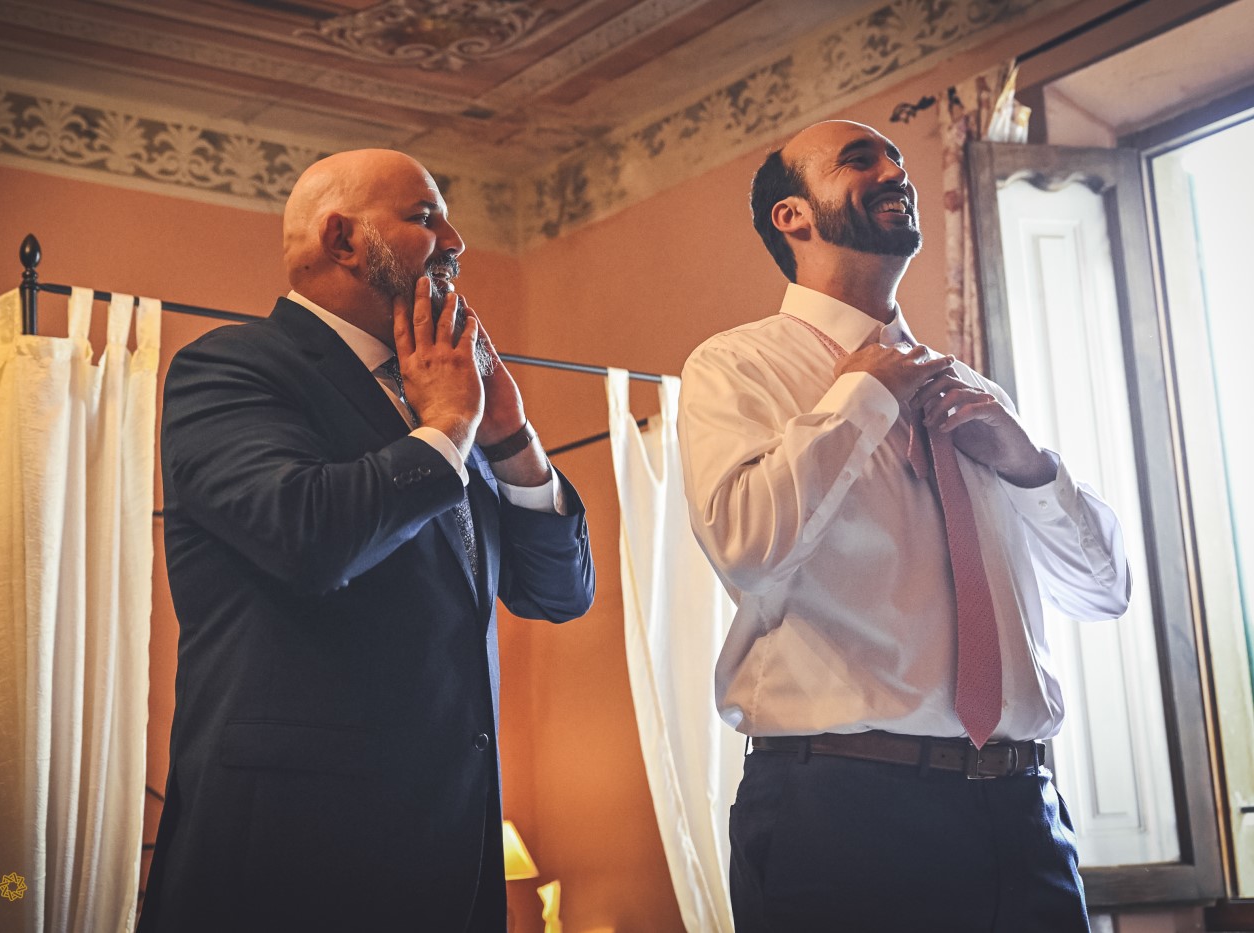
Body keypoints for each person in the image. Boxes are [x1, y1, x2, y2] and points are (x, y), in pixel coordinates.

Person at [678, 120, 1130, 932]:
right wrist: (862, 397)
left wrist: (1029, 463)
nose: (894, 170)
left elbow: (1105, 592)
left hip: (1024, 809)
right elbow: (746, 547)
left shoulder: (975, 393)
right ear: (793, 216)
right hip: (845, 812)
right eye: (860, 159)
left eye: (897, 158)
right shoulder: (735, 366)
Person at [137, 149, 595, 932]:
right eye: (424, 218)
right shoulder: (231, 369)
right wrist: (448, 427)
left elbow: (558, 592)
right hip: (291, 860)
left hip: (454, 858)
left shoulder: (439, 388)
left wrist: (510, 435)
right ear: (343, 239)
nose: (455, 241)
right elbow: (309, 536)